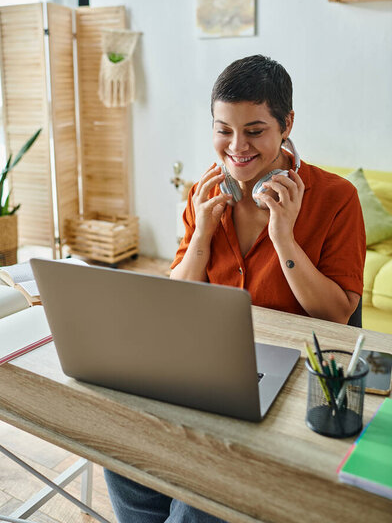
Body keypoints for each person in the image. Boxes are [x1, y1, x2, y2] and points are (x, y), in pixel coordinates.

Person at [104, 55, 366, 522]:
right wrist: (202, 236)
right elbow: (176, 297)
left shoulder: (337, 197)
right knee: (123, 450)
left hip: (293, 380)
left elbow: (336, 317)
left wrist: (284, 237)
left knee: (195, 503)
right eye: (223, 129)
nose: (236, 147)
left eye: (254, 130)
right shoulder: (204, 192)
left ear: (287, 124)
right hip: (210, 364)